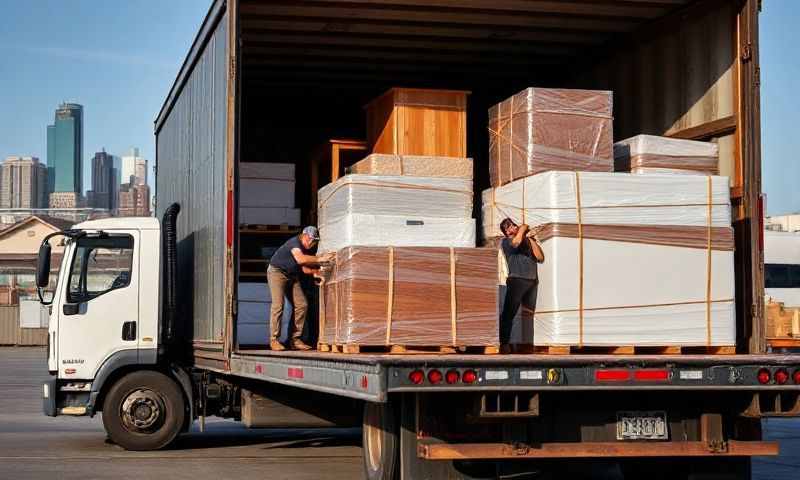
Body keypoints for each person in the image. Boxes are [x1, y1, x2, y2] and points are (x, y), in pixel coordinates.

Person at [266, 226, 333, 351]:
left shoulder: (305, 250)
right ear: (304, 235)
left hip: (292, 275)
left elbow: (303, 268)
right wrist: (320, 259)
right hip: (277, 272)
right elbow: (300, 259)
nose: (311, 243)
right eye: (310, 239)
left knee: (302, 305)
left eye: (314, 241)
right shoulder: (295, 243)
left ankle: (295, 339)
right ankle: (274, 340)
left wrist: (315, 273)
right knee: (278, 305)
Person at [498, 218, 545, 353]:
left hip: (531, 281)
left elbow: (540, 258)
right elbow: (516, 242)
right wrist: (524, 227)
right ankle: (504, 344)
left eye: (513, 225)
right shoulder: (506, 242)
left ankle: (524, 344)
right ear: (506, 232)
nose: (512, 228)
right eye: (508, 228)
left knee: (528, 314)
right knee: (509, 312)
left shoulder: (526, 240)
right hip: (517, 280)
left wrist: (530, 239)